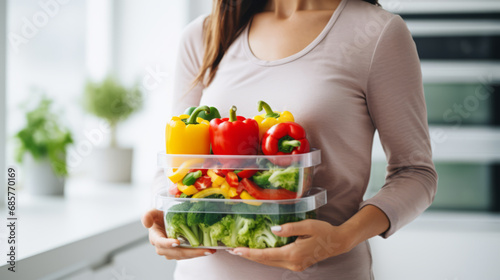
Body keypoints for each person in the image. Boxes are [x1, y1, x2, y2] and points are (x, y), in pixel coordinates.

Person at [142, 0, 438, 279]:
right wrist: (163, 218)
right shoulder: (205, 34)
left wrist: (341, 238)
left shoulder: (376, 32)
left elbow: (415, 173)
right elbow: (175, 166)